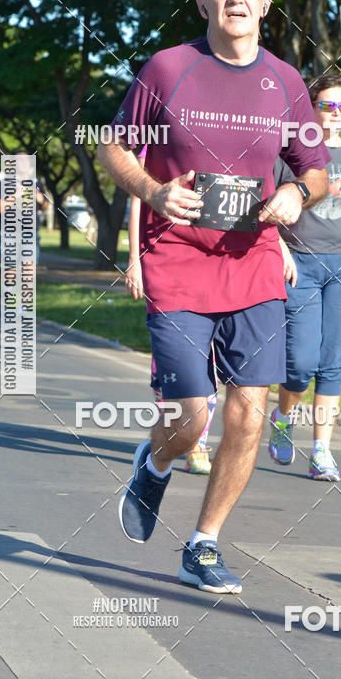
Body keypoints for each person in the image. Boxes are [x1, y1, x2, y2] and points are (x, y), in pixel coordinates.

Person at [98, 0, 329, 594]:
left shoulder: (285, 83)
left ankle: (203, 544)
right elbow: (114, 147)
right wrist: (152, 191)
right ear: (202, 1)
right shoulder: (168, 70)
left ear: (266, 2)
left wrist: (295, 192)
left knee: (250, 410)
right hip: (176, 258)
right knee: (193, 413)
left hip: (252, 258)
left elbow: (314, 170)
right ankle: (156, 460)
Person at [269, 73, 341, 480]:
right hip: (302, 266)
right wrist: (283, 253)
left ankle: (322, 451)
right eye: (327, 105)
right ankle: (283, 418)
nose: (336, 114)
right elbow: (267, 213)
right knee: (300, 364)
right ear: (311, 108)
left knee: (332, 365)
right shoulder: (289, 155)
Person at [126, 145, 216, 476]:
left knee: (211, 357)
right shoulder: (153, 145)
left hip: (213, 263)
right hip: (165, 262)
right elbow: (136, 200)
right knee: (170, 360)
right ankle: (174, 429)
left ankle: (198, 443)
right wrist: (134, 260)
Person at [0, 151, 48, 262]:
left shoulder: (37, 182)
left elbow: (45, 206)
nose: (23, 163)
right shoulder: (5, 183)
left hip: (30, 231)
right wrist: (15, 195)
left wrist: (41, 200)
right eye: (19, 160)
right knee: (11, 271)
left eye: (26, 160)